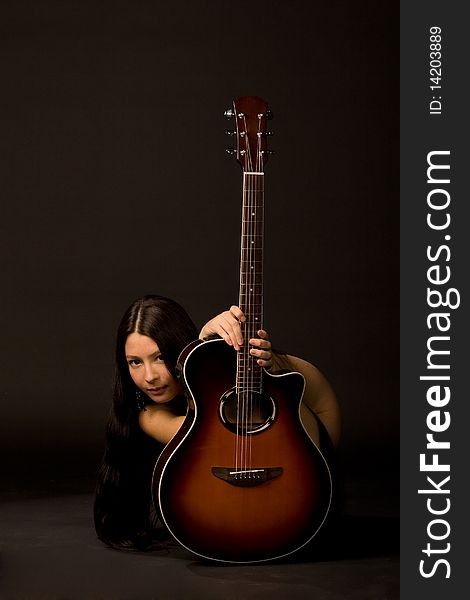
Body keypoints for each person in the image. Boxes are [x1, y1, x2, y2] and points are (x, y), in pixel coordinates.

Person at [94, 294, 341, 550]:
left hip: (315, 434)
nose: (149, 377)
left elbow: (294, 390)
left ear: (179, 349)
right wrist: (203, 339)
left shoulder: (217, 371)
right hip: (259, 451)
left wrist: (260, 358)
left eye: (159, 358)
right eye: (135, 362)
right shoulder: (146, 415)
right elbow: (213, 439)